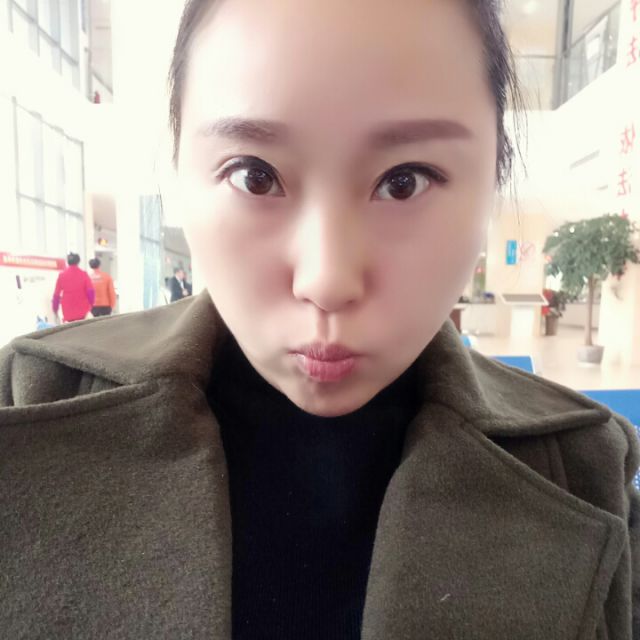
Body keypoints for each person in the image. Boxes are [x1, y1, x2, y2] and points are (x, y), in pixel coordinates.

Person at [0, 1, 638, 638]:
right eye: (255, 176)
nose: (327, 281)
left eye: (405, 181)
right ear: (179, 172)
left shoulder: (586, 469)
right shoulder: (28, 401)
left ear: (492, 181)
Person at [51, 252, 95, 323]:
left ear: (68, 262)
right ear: (78, 261)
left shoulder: (62, 275)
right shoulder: (83, 274)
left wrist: (55, 309)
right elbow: (90, 291)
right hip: (82, 310)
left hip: (67, 311)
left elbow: (56, 295)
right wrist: (91, 304)